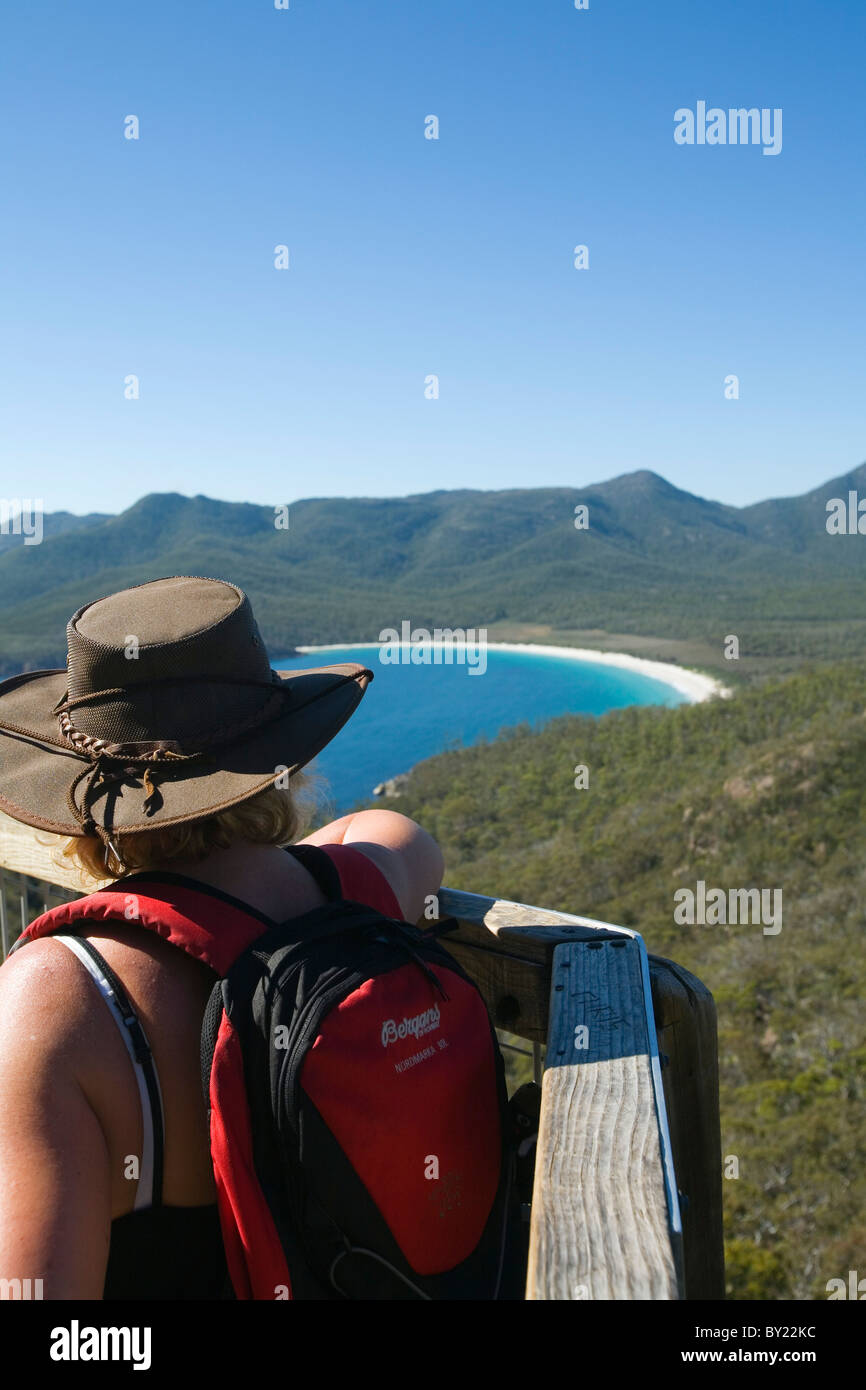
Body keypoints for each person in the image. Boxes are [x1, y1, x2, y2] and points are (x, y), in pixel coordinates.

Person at [0, 576, 445, 1299]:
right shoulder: (360, 892)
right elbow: (399, 835)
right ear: (283, 760)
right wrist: (264, 861)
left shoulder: (58, 995)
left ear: (82, 789)